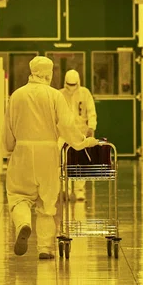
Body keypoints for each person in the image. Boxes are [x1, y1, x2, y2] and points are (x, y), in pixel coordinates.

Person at [4, 56, 97, 259]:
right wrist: (82, 143)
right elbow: (66, 125)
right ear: (49, 73)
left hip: (22, 152)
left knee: (18, 195)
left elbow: (8, 129)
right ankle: (45, 248)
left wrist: (11, 148)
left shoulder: (16, 96)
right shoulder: (55, 96)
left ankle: (23, 223)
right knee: (47, 203)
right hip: (48, 153)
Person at [61, 69, 97, 202]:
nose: (71, 88)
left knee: (81, 161)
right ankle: (66, 189)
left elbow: (91, 112)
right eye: (68, 85)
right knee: (63, 160)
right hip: (64, 132)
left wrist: (91, 127)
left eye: (73, 85)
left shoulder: (85, 93)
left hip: (81, 131)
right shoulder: (60, 94)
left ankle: (79, 190)